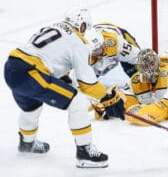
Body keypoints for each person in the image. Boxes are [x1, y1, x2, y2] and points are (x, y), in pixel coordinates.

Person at [3, 9, 125, 168]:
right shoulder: (78, 42)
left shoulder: (56, 27)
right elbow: (87, 84)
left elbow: (51, 60)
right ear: (82, 25)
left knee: (31, 106)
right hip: (32, 74)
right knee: (78, 102)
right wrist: (107, 98)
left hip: (12, 68)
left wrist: (65, 81)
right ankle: (85, 153)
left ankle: (27, 143)